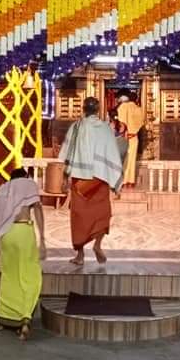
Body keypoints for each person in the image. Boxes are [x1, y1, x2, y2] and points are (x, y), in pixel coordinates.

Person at [0, 167, 47, 340]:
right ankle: (24, 318)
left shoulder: (2, 190)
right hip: (23, 232)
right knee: (29, 275)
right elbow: (37, 209)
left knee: (10, 275)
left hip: (7, 236)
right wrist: (43, 239)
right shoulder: (28, 184)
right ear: (25, 176)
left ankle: (3, 319)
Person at [58, 96, 123, 265]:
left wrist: (65, 177)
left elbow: (68, 154)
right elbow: (113, 153)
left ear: (83, 109)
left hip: (80, 178)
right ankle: (98, 245)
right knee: (102, 215)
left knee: (79, 217)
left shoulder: (77, 127)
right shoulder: (105, 128)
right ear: (98, 109)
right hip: (99, 178)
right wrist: (115, 182)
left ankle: (80, 256)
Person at [115, 92, 144, 188]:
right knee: (132, 159)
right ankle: (130, 181)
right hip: (134, 137)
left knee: (122, 159)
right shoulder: (138, 109)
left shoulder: (122, 107)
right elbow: (141, 123)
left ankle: (122, 180)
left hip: (123, 137)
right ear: (136, 99)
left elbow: (119, 122)